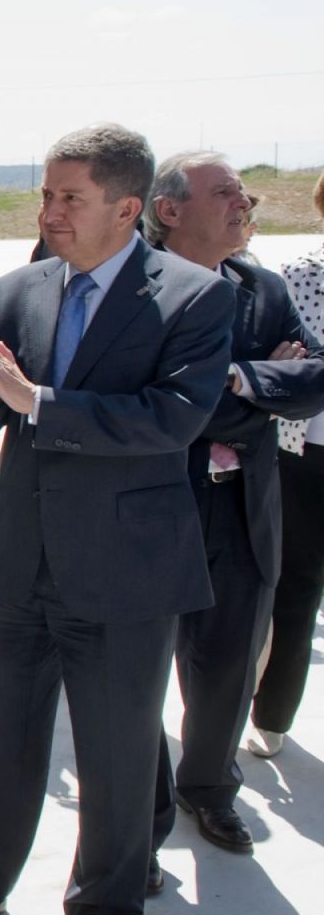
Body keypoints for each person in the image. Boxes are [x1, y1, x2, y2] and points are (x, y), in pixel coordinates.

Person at [0, 124, 233, 915]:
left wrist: (40, 399)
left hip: (125, 570)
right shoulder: (19, 286)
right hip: (18, 559)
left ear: (128, 207)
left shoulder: (193, 297)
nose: (49, 212)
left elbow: (174, 419)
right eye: (46, 194)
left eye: (70, 197)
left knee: (116, 756)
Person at [142, 153, 324, 862]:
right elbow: (169, 409)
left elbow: (314, 378)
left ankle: (210, 788)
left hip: (245, 506)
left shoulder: (261, 287)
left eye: (243, 192)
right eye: (225, 193)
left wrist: (238, 378)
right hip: (157, 508)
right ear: (169, 210)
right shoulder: (138, 289)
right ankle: (142, 813)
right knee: (137, 674)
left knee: (229, 663)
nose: (243, 203)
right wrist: (261, 387)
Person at [251, 171, 324, 758]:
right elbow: (284, 362)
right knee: (296, 588)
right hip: (305, 454)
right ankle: (273, 714)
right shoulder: (299, 275)